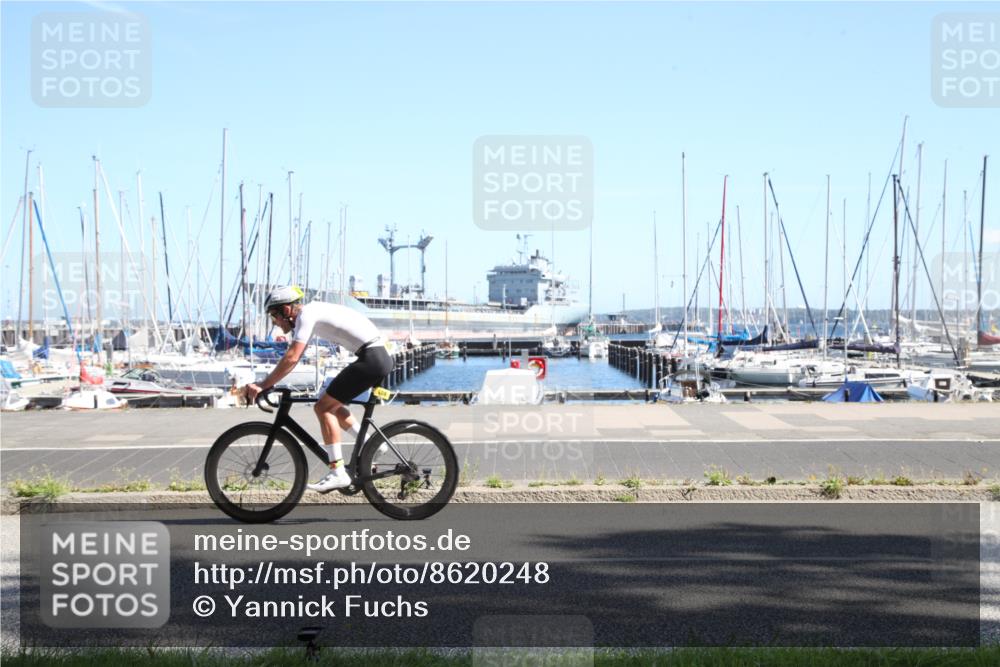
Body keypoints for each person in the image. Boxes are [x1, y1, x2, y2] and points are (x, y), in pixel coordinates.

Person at [244, 286, 394, 492]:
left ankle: (338, 472)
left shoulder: (307, 315)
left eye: (274, 316)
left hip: (372, 358)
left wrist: (263, 385)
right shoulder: (310, 315)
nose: (274, 323)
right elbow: (293, 358)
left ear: (286, 310)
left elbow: (292, 358)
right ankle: (372, 445)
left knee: (323, 408)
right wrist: (270, 381)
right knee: (327, 400)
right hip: (373, 356)